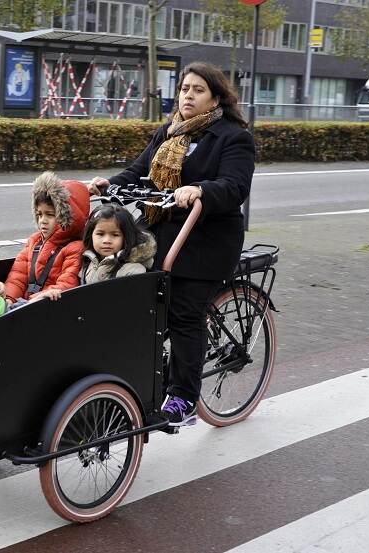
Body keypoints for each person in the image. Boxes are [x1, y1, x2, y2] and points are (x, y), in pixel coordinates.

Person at [87, 61, 254, 427]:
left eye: (197, 90)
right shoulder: (170, 131)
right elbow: (138, 171)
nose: (188, 95)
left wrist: (201, 190)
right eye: (184, 89)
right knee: (136, 302)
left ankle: (184, 399)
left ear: (215, 99)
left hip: (206, 241)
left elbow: (235, 186)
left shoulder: (233, 137)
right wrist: (108, 184)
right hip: (162, 233)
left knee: (183, 313)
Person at [4, 171, 90, 305]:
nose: (42, 221)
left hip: (47, 306)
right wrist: (9, 298)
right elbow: (18, 277)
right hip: (25, 304)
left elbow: (67, 284)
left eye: (50, 215)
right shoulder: (34, 241)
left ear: (66, 217)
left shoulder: (75, 248)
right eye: (39, 214)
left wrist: (32, 301)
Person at [80, 204, 157, 284]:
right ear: (91, 235)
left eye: (115, 235)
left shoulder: (132, 271)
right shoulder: (87, 261)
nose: (107, 240)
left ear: (126, 237)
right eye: (100, 234)